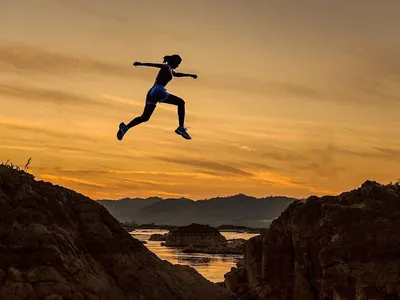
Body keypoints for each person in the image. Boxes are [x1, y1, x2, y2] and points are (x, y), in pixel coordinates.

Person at [117, 54, 197, 141]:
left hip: (151, 92)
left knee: (145, 117)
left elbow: (177, 74)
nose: (178, 65)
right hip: (158, 90)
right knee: (181, 102)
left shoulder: (170, 70)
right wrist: (141, 64)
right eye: (177, 63)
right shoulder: (166, 67)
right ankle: (181, 127)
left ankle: (126, 127)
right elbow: (156, 65)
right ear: (173, 61)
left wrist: (190, 75)